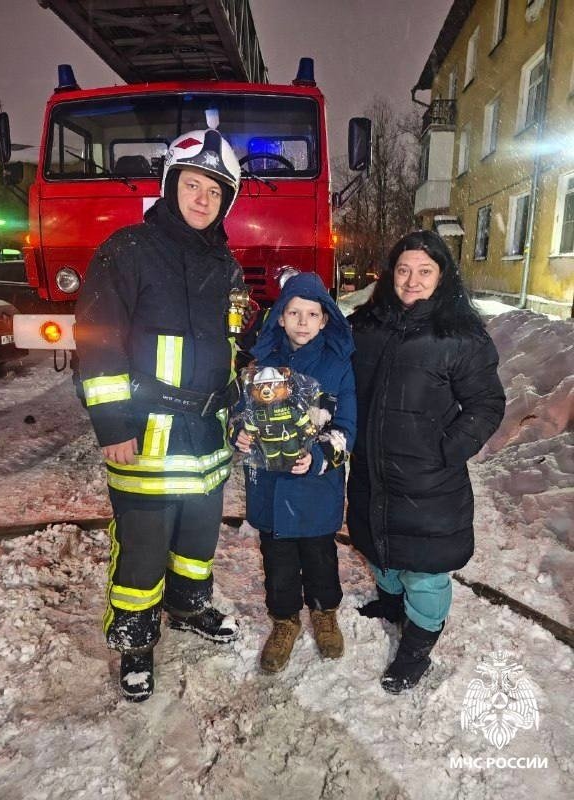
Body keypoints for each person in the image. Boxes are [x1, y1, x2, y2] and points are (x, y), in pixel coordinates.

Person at [75, 129, 247, 702]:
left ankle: (189, 608)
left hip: (207, 436)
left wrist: (241, 411)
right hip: (148, 434)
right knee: (144, 547)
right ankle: (135, 641)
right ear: (171, 185)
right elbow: (98, 343)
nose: (203, 199)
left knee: (197, 538)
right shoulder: (127, 250)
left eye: (215, 192)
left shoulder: (225, 264)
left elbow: (231, 346)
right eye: (193, 185)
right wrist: (113, 425)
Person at [347, 230, 505, 694]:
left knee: (426, 571)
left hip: (429, 481)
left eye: (424, 271)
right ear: (389, 275)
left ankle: (416, 646)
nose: (412, 280)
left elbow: (486, 405)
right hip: (372, 472)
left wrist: (446, 450)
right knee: (378, 548)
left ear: (442, 277)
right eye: (403, 270)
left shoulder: (461, 337)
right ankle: (391, 605)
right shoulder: (365, 327)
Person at [233, 273, 356, 673]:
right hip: (270, 487)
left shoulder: (337, 366)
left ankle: (324, 612)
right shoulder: (261, 365)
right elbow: (240, 412)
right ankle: (284, 620)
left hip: (316, 485)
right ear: (280, 318)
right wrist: (238, 433)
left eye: (312, 314)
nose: (303, 322)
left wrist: (320, 456)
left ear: (325, 319)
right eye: (294, 313)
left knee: (320, 555)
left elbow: (347, 426)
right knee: (278, 558)